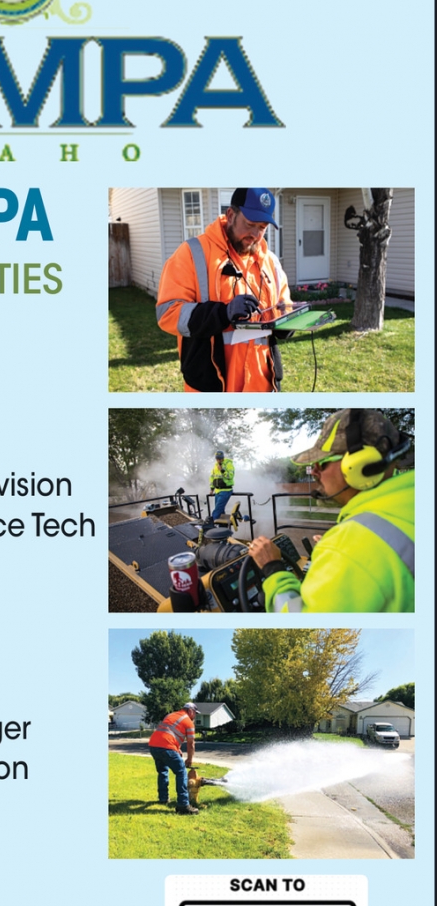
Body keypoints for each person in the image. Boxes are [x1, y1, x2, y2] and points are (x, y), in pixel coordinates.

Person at [248, 409, 414, 612]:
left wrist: (272, 569)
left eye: (323, 463)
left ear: (360, 465)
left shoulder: (349, 547)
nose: (315, 471)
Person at [156, 189, 291, 392]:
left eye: (262, 227)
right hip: (212, 386)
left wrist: (287, 321)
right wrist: (223, 313)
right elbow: (168, 314)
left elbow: (284, 305)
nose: (255, 234)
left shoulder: (271, 261)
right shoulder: (191, 254)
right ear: (230, 215)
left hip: (264, 385)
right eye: (250, 224)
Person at [148, 703, 199, 815]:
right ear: (190, 711)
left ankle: (163, 798)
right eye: (195, 713)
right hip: (166, 747)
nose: (194, 716)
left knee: (162, 771)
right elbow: (191, 744)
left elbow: (169, 732)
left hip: (153, 745)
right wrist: (189, 759)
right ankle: (183, 805)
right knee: (181, 772)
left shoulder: (171, 715)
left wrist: (177, 748)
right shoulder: (188, 721)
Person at [202, 449, 236, 533]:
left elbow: (230, 476)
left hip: (226, 490)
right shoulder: (215, 466)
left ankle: (210, 528)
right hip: (217, 491)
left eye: (220, 458)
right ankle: (223, 529)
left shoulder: (229, 464)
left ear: (223, 457)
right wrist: (211, 489)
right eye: (217, 458)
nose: (219, 460)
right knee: (221, 511)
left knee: (217, 510)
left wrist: (222, 470)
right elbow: (212, 478)